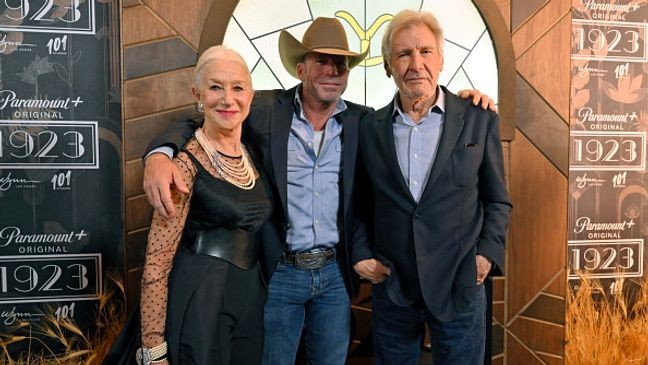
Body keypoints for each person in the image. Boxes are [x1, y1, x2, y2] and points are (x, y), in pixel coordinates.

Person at [142, 17, 495, 365]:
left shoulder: (364, 122)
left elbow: (370, 199)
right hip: (279, 272)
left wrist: (470, 98)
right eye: (322, 61)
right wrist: (161, 153)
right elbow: (205, 114)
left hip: (333, 277)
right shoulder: (263, 109)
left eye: (340, 64)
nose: (332, 70)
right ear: (300, 69)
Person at [352, 9, 512, 365]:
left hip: (461, 285)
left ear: (440, 59)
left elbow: (497, 200)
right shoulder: (370, 128)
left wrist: (485, 256)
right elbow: (361, 204)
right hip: (393, 288)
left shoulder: (478, 117)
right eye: (404, 54)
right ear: (389, 65)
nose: (416, 63)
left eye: (425, 51)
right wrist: (361, 253)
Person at [137, 45, 271, 365]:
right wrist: (153, 348)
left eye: (238, 87)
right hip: (202, 297)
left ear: (251, 95)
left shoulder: (254, 151)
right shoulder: (181, 165)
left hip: (252, 295)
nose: (228, 98)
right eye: (215, 87)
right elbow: (157, 260)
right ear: (197, 93)